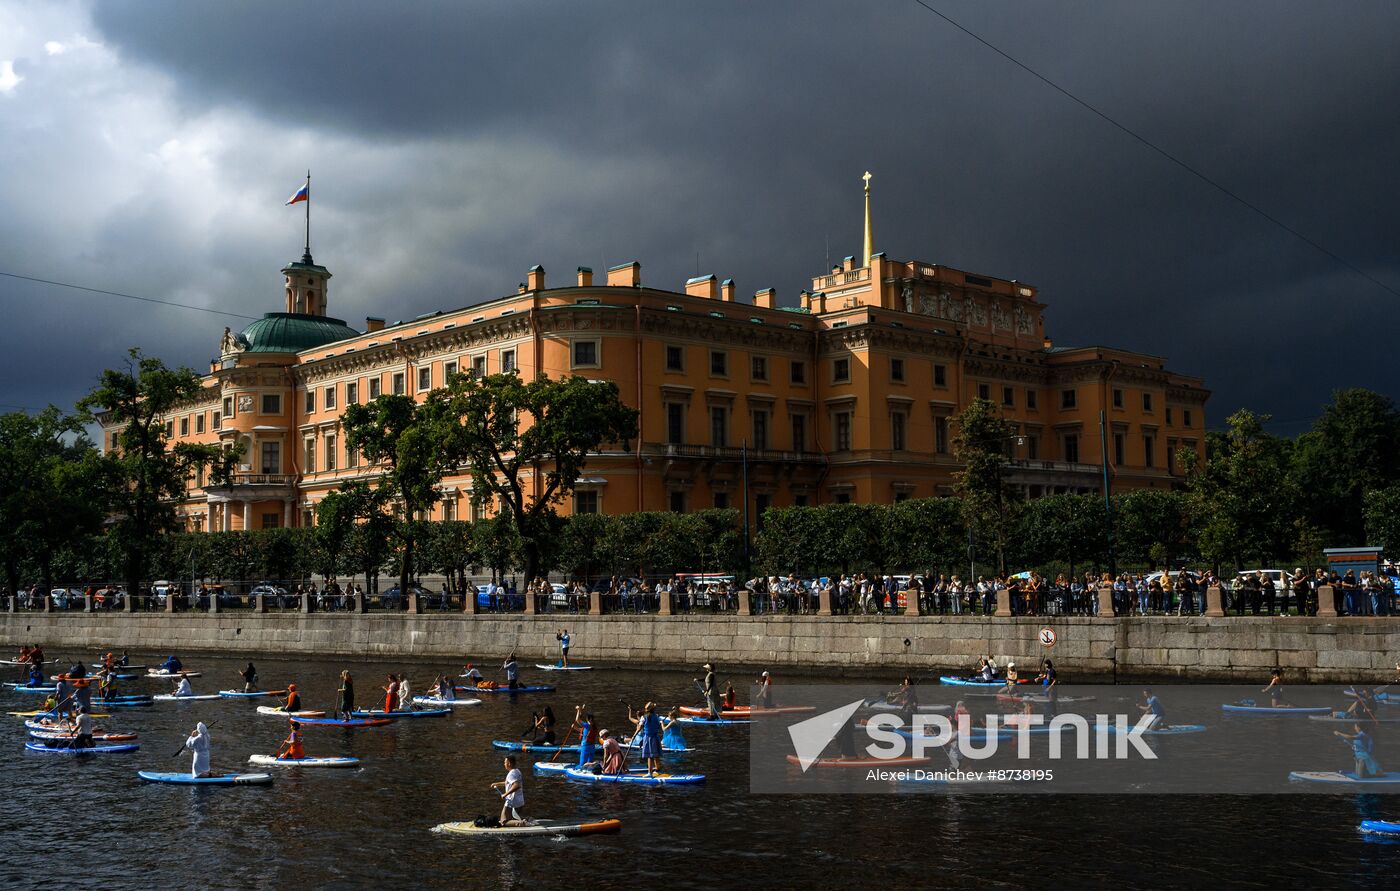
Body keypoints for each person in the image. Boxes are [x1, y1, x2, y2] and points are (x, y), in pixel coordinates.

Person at [630, 702, 664, 777]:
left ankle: (650, 773)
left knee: (650, 756)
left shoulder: (644, 717)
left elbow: (639, 727)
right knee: (656, 755)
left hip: (648, 737)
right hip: (655, 737)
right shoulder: (656, 716)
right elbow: (658, 726)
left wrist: (634, 735)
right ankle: (658, 770)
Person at [491, 755, 527, 826]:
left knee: (503, 822)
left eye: (505, 762)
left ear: (509, 763)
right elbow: (508, 782)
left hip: (512, 802)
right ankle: (525, 820)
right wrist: (497, 784)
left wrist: (505, 794)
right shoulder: (517, 771)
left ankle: (522, 823)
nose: (504, 764)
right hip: (520, 801)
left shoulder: (511, 774)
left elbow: (516, 785)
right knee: (512, 819)